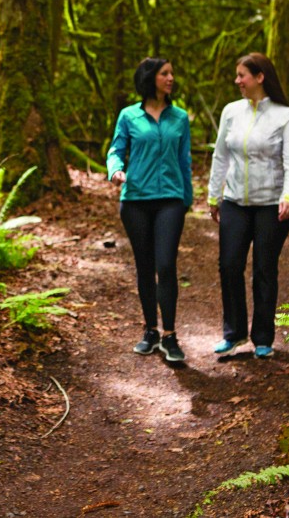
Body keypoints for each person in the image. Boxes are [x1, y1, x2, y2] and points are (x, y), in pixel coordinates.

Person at [207, 52, 289, 359]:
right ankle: (233, 333)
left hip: (270, 206)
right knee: (230, 264)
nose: (237, 81)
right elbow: (220, 155)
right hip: (235, 201)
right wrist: (213, 194)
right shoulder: (231, 112)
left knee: (264, 267)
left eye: (241, 76)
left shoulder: (284, 115)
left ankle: (263, 337)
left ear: (260, 77)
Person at [107, 57, 193, 363]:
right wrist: (115, 170)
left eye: (171, 73)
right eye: (164, 73)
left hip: (170, 199)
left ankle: (170, 336)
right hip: (135, 201)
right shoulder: (129, 115)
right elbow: (116, 150)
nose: (171, 78)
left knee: (166, 265)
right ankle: (150, 331)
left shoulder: (180, 117)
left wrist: (187, 199)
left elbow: (185, 161)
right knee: (144, 266)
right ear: (150, 78)